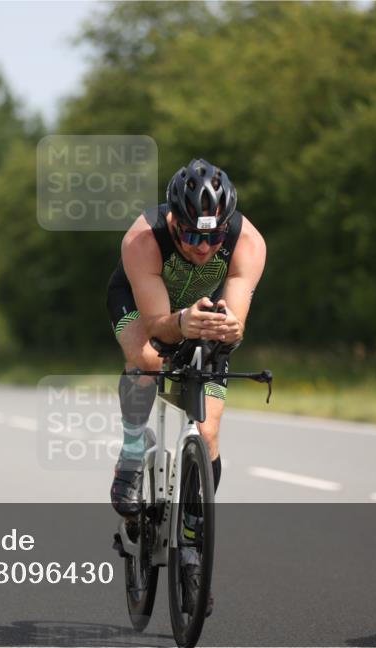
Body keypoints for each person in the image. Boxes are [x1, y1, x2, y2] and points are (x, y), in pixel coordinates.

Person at [106, 158, 267, 512]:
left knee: (207, 434)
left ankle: (194, 527)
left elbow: (233, 326)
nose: (204, 248)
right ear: (173, 222)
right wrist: (180, 325)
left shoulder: (249, 244)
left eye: (214, 237)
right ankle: (133, 449)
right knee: (149, 360)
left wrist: (229, 329)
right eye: (193, 235)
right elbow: (156, 325)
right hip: (139, 303)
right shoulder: (143, 239)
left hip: (200, 310)